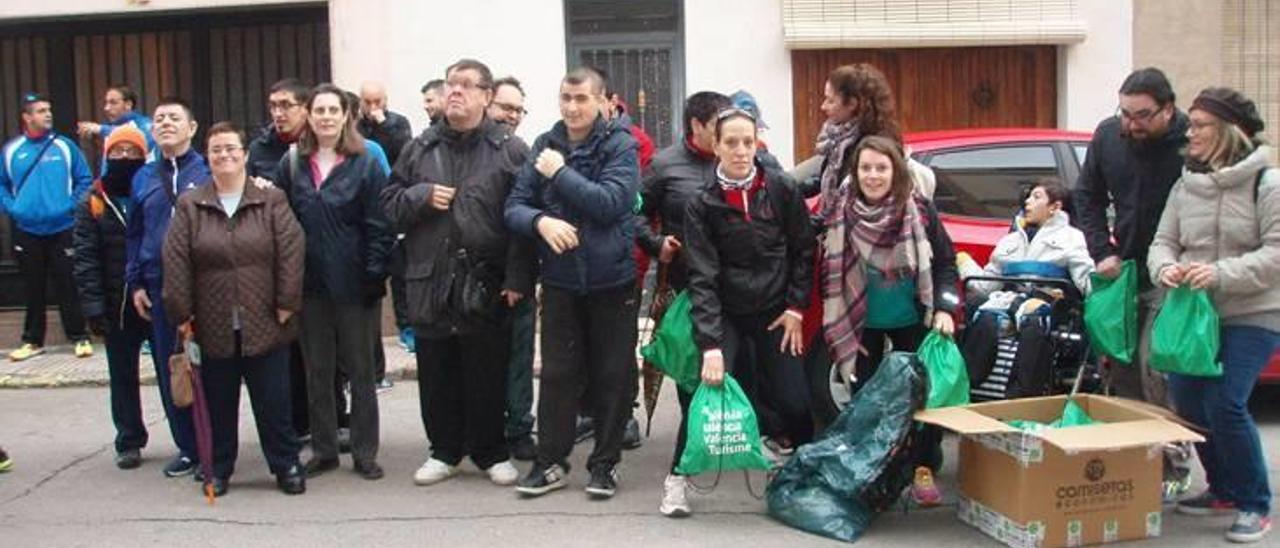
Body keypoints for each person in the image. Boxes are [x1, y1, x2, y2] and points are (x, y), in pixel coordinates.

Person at [382, 58, 534, 487]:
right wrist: (420, 196)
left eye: (467, 85)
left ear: (487, 96)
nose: (455, 91)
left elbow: (524, 221)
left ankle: (490, 451)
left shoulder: (509, 150)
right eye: (451, 83)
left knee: (487, 369)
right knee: (436, 370)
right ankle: (444, 451)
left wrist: (518, 279)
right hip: (430, 276)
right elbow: (389, 206)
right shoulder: (421, 147)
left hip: (487, 280)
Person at [669, 108, 815, 517]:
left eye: (747, 142)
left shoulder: (782, 188)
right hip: (727, 314)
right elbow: (702, 275)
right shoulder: (700, 203)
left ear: (757, 144)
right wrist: (711, 344)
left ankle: (801, 475)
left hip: (775, 312)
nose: (740, 151)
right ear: (715, 146)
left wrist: (796, 308)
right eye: (730, 142)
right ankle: (676, 480)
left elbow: (804, 249)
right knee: (704, 392)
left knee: (795, 402)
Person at [1149, 87, 1279, 545]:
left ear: (1229, 130)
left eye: (1201, 124)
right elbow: (1163, 239)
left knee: (1226, 403)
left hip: (1254, 310)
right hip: (1194, 313)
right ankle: (1221, 489)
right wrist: (1165, 267)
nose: (1191, 131)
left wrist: (1220, 273)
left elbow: (1277, 253)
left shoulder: (1268, 183)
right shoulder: (1186, 184)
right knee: (1187, 402)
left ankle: (1254, 503)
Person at [506, 67, 640, 499]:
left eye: (581, 98)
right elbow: (514, 206)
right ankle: (549, 464)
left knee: (612, 375)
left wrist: (560, 174)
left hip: (612, 282)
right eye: (565, 97)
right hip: (561, 282)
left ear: (602, 102)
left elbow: (610, 203)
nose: (571, 107)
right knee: (559, 376)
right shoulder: (546, 144)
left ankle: (604, 465)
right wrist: (541, 221)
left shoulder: (620, 145)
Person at [162, 121, 307, 497]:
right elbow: (175, 261)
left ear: (245, 155)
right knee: (218, 403)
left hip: (266, 319)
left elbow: (291, 251)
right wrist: (182, 312)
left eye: (231, 148)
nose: (224, 155)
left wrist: (287, 303)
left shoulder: (269, 199)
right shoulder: (191, 204)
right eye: (216, 150)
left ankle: (285, 464)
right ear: (207, 157)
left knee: (274, 401)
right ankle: (218, 467)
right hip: (212, 324)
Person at [823, 135, 958, 507]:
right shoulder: (840, 212)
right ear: (856, 172)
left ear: (895, 170)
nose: (873, 175)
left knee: (918, 398)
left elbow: (946, 263)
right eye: (865, 168)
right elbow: (825, 272)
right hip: (862, 324)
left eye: (881, 168)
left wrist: (945, 308)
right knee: (865, 399)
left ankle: (922, 467)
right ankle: (870, 469)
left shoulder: (920, 211)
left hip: (911, 319)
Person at [273, 83, 393, 481]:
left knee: (361, 373)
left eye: (333, 110)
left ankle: (364, 451)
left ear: (346, 116)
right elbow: (280, 224)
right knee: (317, 371)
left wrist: (375, 274)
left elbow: (379, 224)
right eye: (319, 110)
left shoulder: (366, 162)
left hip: (355, 284)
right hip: (309, 285)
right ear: (308, 115)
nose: (325, 117)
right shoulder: (291, 164)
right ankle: (324, 449)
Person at [1073, 67, 1189, 408]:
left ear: (1168, 109)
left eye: (1142, 116)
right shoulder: (1109, 136)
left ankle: (1170, 453)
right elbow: (1086, 196)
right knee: (1118, 363)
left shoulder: (1191, 144)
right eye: (1125, 113)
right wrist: (1101, 250)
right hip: (1123, 269)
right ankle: (1139, 449)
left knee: (1155, 365)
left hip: (1172, 272)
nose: (1132, 124)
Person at [125, 96, 209, 478]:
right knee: (169, 365)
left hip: (204, 285)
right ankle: (188, 447)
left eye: (175, 118)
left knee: (206, 367)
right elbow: (136, 233)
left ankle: (214, 443)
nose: (166, 124)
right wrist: (135, 281)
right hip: (158, 286)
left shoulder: (207, 170)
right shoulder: (143, 177)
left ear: (192, 128)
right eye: (159, 120)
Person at [72, 125, 152, 470]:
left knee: (172, 373)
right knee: (122, 377)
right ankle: (129, 440)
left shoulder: (154, 191)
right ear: (106, 157)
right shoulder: (94, 199)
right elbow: (85, 258)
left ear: (143, 156)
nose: (124, 158)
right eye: (116, 152)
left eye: (131, 152)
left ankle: (187, 442)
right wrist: (92, 307)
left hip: (153, 299)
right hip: (114, 303)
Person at [1, 93, 94, 361]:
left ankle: (79, 337)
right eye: (41, 111)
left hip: (63, 227)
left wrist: (70, 207)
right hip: (27, 229)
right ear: (27, 117)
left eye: (49, 109)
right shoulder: (12, 150)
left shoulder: (64, 147)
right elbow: (2, 184)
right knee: (33, 286)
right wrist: (13, 208)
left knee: (69, 283)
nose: (48, 114)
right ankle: (32, 341)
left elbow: (84, 179)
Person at [485, 74, 537, 461]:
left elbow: (526, 220)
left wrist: (518, 276)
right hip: (470, 275)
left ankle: (519, 428)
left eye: (519, 110)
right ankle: (484, 430)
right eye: (507, 107)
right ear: (487, 102)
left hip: (512, 273)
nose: (513, 116)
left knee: (518, 356)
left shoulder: (519, 151)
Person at [958, 178, 1094, 296]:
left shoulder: (1071, 237)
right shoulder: (1010, 241)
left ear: (1055, 206)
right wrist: (964, 264)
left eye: (1036, 197)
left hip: (1051, 312)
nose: (1028, 201)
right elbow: (985, 287)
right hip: (1007, 309)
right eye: (1028, 197)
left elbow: (1087, 283)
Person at [77, 85, 156, 170]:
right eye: (106, 103)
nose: (106, 108)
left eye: (113, 103)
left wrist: (101, 129)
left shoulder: (144, 124)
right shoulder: (110, 128)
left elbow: (141, 137)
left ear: (128, 105)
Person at [247, 79, 311, 181]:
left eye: (286, 106)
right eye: (273, 106)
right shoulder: (258, 149)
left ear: (306, 108)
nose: (278, 114)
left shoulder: (319, 147)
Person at [358, 81, 412, 169]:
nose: (373, 107)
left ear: (385, 100)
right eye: (367, 102)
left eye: (377, 102)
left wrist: (384, 124)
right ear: (360, 102)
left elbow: (406, 154)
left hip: (392, 175)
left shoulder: (399, 122)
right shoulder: (355, 125)